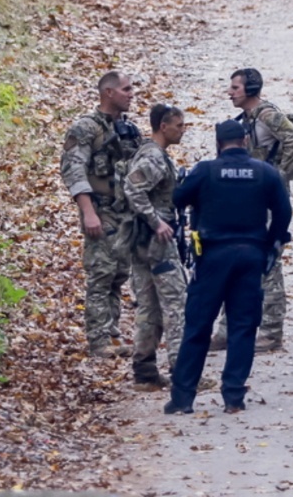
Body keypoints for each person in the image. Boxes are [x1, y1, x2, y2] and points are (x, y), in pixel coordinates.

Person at [165, 120, 292, 415]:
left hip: (212, 256)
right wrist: (271, 245)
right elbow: (283, 212)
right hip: (251, 255)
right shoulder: (265, 172)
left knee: (197, 327)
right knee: (243, 327)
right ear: (245, 141)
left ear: (219, 143)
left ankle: (183, 398)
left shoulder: (205, 171)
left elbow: (177, 199)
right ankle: (233, 396)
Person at [210, 68, 293, 353]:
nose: (230, 92)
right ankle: (226, 332)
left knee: (268, 262)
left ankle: (271, 333)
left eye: (235, 87)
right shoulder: (247, 120)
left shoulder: (266, 115)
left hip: (265, 204)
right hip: (246, 201)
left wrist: (278, 178)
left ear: (250, 88)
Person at [60, 71, 143, 358]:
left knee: (119, 274)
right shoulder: (85, 128)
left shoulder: (129, 129)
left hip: (125, 214)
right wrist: (88, 212)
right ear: (109, 93)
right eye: (126, 89)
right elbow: (73, 169)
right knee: (101, 275)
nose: (132, 94)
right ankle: (98, 340)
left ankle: (111, 331)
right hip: (101, 211)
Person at [122, 104, 189, 389]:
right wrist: (156, 222)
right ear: (164, 126)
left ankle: (145, 371)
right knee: (177, 303)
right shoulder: (153, 157)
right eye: (178, 125)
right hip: (157, 241)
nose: (182, 130)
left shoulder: (151, 154)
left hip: (141, 241)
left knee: (149, 306)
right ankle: (183, 371)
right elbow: (133, 187)